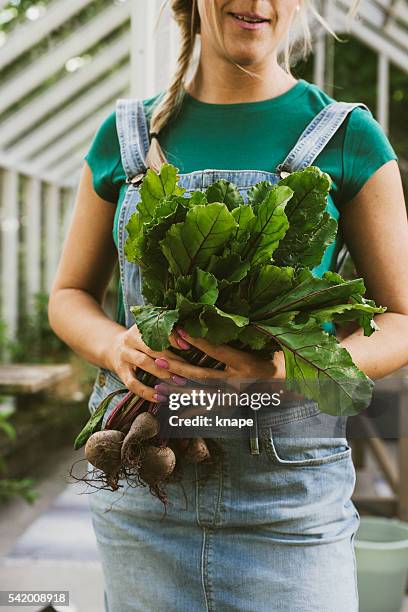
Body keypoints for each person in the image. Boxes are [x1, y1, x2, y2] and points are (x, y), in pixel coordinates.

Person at [48, 1, 408, 610]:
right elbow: (69, 295)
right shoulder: (127, 135)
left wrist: (285, 368)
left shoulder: (345, 136)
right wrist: (114, 344)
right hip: (145, 488)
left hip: (291, 503)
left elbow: (402, 320)